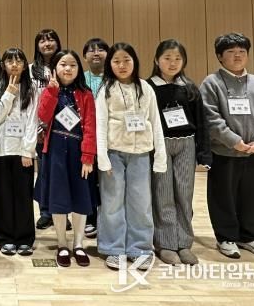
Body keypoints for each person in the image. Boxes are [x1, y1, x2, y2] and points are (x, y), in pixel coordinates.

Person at [200, 33, 254, 259]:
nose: (237, 56)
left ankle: (250, 237)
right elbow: (210, 118)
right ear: (219, 56)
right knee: (222, 195)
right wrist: (235, 141)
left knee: (253, 196)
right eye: (231, 52)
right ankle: (225, 237)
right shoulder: (211, 83)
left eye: (242, 52)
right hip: (223, 152)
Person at [96, 43, 166, 271]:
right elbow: (100, 124)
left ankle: (140, 248)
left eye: (126, 60)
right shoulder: (106, 89)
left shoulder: (146, 88)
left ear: (134, 62)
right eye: (116, 61)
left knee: (141, 202)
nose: (122, 65)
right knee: (112, 202)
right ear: (110, 64)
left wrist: (160, 156)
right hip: (114, 153)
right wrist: (102, 157)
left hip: (141, 153)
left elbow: (156, 122)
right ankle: (113, 248)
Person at [147, 39, 212, 265]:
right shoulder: (148, 87)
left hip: (187, 144)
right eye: (167, 58)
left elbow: (201, 122)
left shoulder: (190, 87)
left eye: (177, 58)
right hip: (160, 145)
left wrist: (204, 153)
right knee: (163, 194)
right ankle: (165, 244)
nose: (172, 63)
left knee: (184, 194)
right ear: (156, 60)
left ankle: (184, 243)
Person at [37, 50, 96, 267]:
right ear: (55, 68)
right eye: (63, 64)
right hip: (55, 152)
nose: (68, 69)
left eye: (72, 65)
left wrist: (88, 156)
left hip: (79, 153)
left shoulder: (86, 94)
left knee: (81, 199)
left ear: (79, 69)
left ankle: (78, 244)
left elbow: (90, 126)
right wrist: (52, 91)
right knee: (58, 199)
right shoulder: (49, 91)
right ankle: (62, 244)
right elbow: (42, 116)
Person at [0, 48, 37, 256]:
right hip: (0, 150)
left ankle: (25, 238)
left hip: (22, 152)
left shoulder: (32, 89)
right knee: (2, 196)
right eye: (10, 61)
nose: (15, 64)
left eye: (19, 60)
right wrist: (9, 94)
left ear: (25, 65)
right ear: (3, 65)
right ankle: (5, 238)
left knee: (23, 196)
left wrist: (28, 151)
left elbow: (33, 121)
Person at [29, 29, 64, 230]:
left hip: (62, 128)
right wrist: (37, 128)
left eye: (51, 39)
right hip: (39, 127)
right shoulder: (31, 70)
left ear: (58, 43)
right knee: (43, 172)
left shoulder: (65, 65)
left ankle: (60, 211)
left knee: (60, 171)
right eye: (42, 41)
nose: (47, 44)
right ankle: (45, 212)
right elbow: (29, 101)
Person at [81, 38, 109, 239]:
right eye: (92, 50)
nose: (96, 53)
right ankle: (90, 219)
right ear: (85, 57)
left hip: (110, 137)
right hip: (87, 136)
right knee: (88, 180)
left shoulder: (114, 78)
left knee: (108, 181)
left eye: (101, 50)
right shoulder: (80, 79)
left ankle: (107, 220)